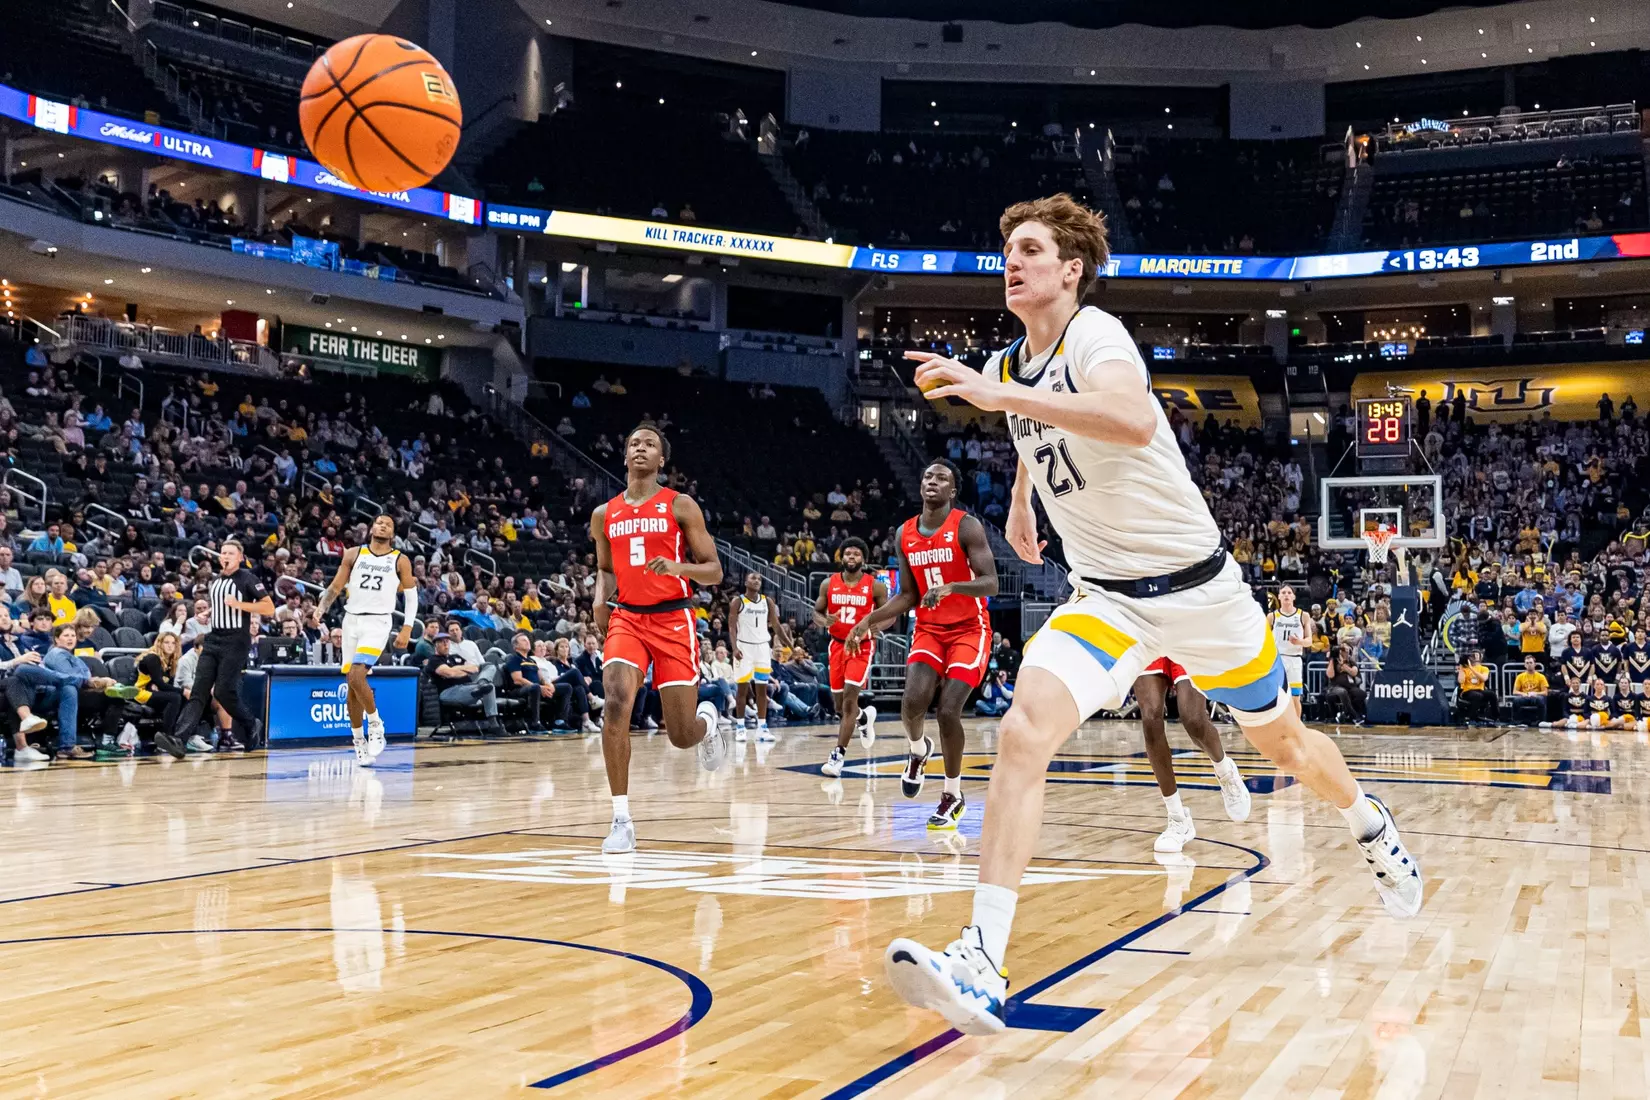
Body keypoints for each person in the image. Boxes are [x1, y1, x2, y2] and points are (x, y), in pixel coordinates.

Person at [882, 193, 1421, 1036]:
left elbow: (1131, 420)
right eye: (1005, 250)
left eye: (1027, 249)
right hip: (1106, 600)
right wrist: (1023, 496)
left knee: (1284, 745)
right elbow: (1033, 427)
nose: (1010, 262)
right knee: (1023, 733)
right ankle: (982, 958)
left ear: (1071, 270)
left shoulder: (1096, 334)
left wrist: (1000, 402)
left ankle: (1368, 822)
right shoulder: (1008, 363)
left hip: (1200, 593)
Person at [592, 423, 726, 855]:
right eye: (633, 443)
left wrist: (678, 568)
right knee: (615, 702)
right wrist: (600, 601)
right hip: (627, 619)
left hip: (673, 620)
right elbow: (605, 568)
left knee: (681, 735)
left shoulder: (680, 505)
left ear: (662, 459)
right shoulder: (604, 513)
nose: (640, 448)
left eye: (649, 444)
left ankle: (707, 723)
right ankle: (621, 820)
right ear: (625, 455)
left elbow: (715, 571)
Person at [846, 460, 998, 832]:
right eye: (928, 476)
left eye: (941, 478)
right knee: (911, 704)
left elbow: (992, 582)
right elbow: (909, 595)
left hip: (968, 628)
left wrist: (953, 587)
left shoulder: (966, 526)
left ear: (952, 491)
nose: (932, 481)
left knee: (948, 711)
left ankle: (953, 794)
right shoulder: (904, 534)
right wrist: (867, 620)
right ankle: (918, 751)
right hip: (930, 628)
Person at [155, 540, 272, 758]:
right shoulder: (216, 581)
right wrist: (208, 613)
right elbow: (221, 605)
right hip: (213, 638)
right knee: (199, 691)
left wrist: (240, 605)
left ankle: (250, 723)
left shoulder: (248, 579)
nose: (226, 556)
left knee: (222, 692)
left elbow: (268, 606)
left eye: (231, 553)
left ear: (239, 557)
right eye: (223, 552)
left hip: (236, 640)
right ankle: (179, 740)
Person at [315, 515, 416, 765]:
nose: (382, 525)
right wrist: (320, 609)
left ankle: (375, 722)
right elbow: (336, 586)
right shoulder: (352, 554)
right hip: (351, 620)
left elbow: (411, 597)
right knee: (352, 684)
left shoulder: (400, 560)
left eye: (388, 524)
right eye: (379, 522)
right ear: (371, 528)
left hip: (378, 622)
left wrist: (407, 628)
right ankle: (359, 740)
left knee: (358, 674)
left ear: (392, 533)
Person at [1133, 658, 1251, 853]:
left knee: (1193, 719)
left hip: (1184, 633)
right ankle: (1178, 818)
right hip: (1150, 634)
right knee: (1150, 719)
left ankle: (1225, 771)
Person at [817, 537, 886, 777]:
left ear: (863, 559)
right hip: (836, 646)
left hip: (861, 647)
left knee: (848, 700)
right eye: (848, 553)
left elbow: (888, 614)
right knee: (839, 705)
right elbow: (817, 612)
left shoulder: (875, 586)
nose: (852, 557)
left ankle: (838, 756)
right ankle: (863, 717)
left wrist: (876, 626)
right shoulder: (828, 584)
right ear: (842, 557)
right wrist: (823, 620)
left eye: (856, 554)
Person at [730, 572, 790, 742]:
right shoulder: (738, 601)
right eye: (753, 578)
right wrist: (734, 648)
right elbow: (732, 627)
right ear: (745, 581)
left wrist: (790, 644)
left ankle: (762, 727)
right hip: (744, 647)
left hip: (763, 647)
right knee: (742, 689)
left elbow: (777, 626)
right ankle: (740, 727)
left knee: (762, 689)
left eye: (759, 579)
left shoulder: (767, 601)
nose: (756, 581)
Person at [1267, 585, 1313, 715]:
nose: (1286, 595)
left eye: (1289, 592)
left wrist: (1299, 642)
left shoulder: (1303, 615)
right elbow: (1264, 638)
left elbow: (1309, 641)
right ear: (1279, 596)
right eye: (1283, 592)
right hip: (1277, 659)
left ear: (1293, 596)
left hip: (1294, 659)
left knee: (1295, 698)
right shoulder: (1272, 616)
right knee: (1276, 697)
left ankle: (1296, 727)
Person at [1456, 650, 1496, 726]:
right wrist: (1461, 668)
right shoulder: (1464, 669)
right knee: (1477, 695)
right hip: (1466, 691)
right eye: (1472, 655)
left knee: (1492, 694)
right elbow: (1461, 681)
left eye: (1476, 655)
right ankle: (1471, 717)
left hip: (1479, 690)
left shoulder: (1484, 668)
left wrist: (1471, 668)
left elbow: (1484, 678)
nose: (1474, 657)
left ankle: (1494, 716)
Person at [1509, 654, 1548, 727]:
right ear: (1524, 665)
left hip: (1536, 696)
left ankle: (1541, 721)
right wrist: (1524, 694)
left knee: (1540, 700)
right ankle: (1516, 721)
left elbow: (1545, 692)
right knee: (1516, 700)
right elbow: (1515, 691)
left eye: (1531, 663)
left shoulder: (1541, 677)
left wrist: (1535, 693)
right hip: (1525, 696)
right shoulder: (1520, 676)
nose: (1529, 665)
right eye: (1527, 663)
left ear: (1535, 664)